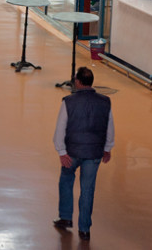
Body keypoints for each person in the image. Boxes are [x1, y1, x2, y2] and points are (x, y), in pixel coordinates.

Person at [52, 67, 115, 242]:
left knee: (66, 179)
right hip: (94, 153)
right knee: (88, 190)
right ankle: (84, 229)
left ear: (78, 82)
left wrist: (62, 151)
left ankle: (65, 217)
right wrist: (107, 148)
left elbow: (60, 129)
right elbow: (109, 128)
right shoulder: (105, 102)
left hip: (72, 153)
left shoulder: (68, 101)